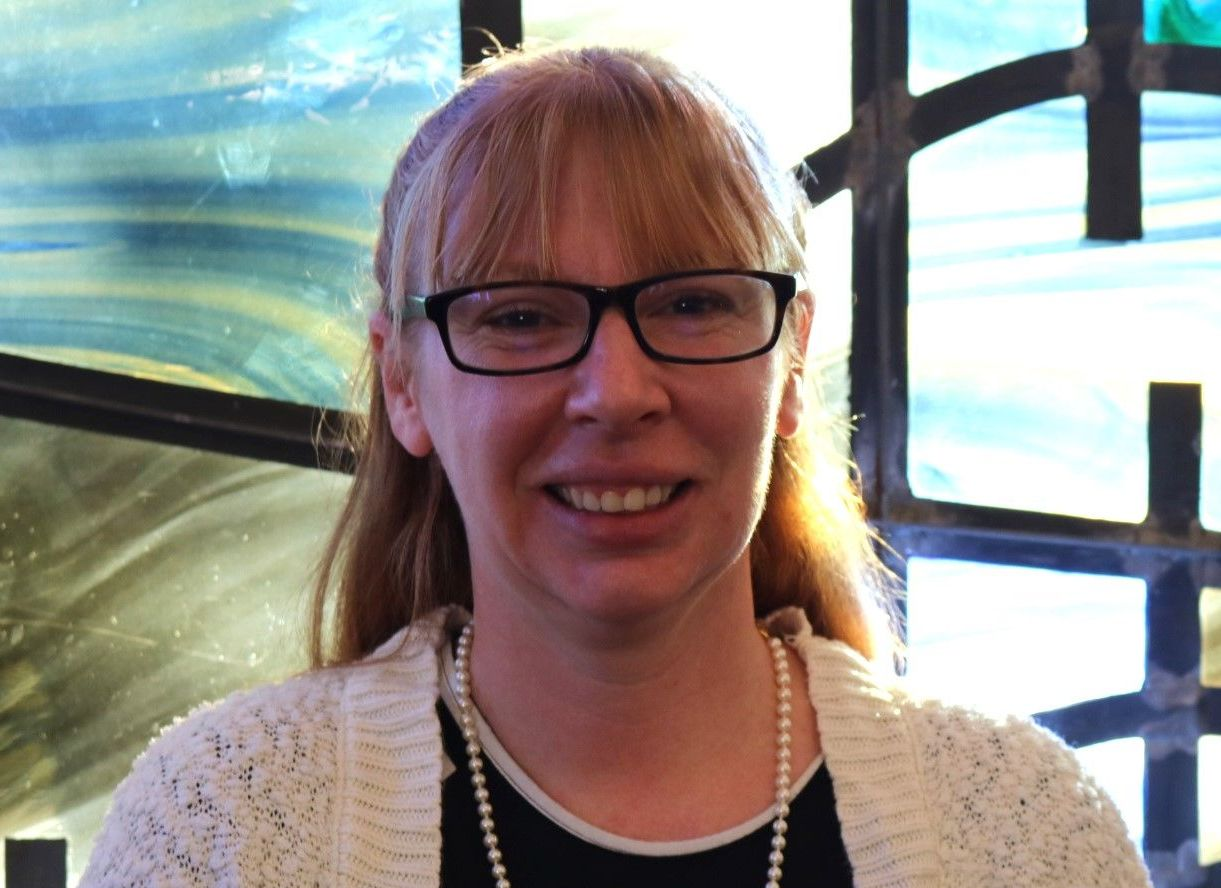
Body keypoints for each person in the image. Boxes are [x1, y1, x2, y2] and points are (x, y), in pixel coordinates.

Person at [82, 46, 1150, 887]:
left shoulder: (1025, 833)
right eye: (521, 317)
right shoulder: (221, 827)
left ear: (787, 369)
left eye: (691, 303)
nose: (617, 391)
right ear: (403, 386)